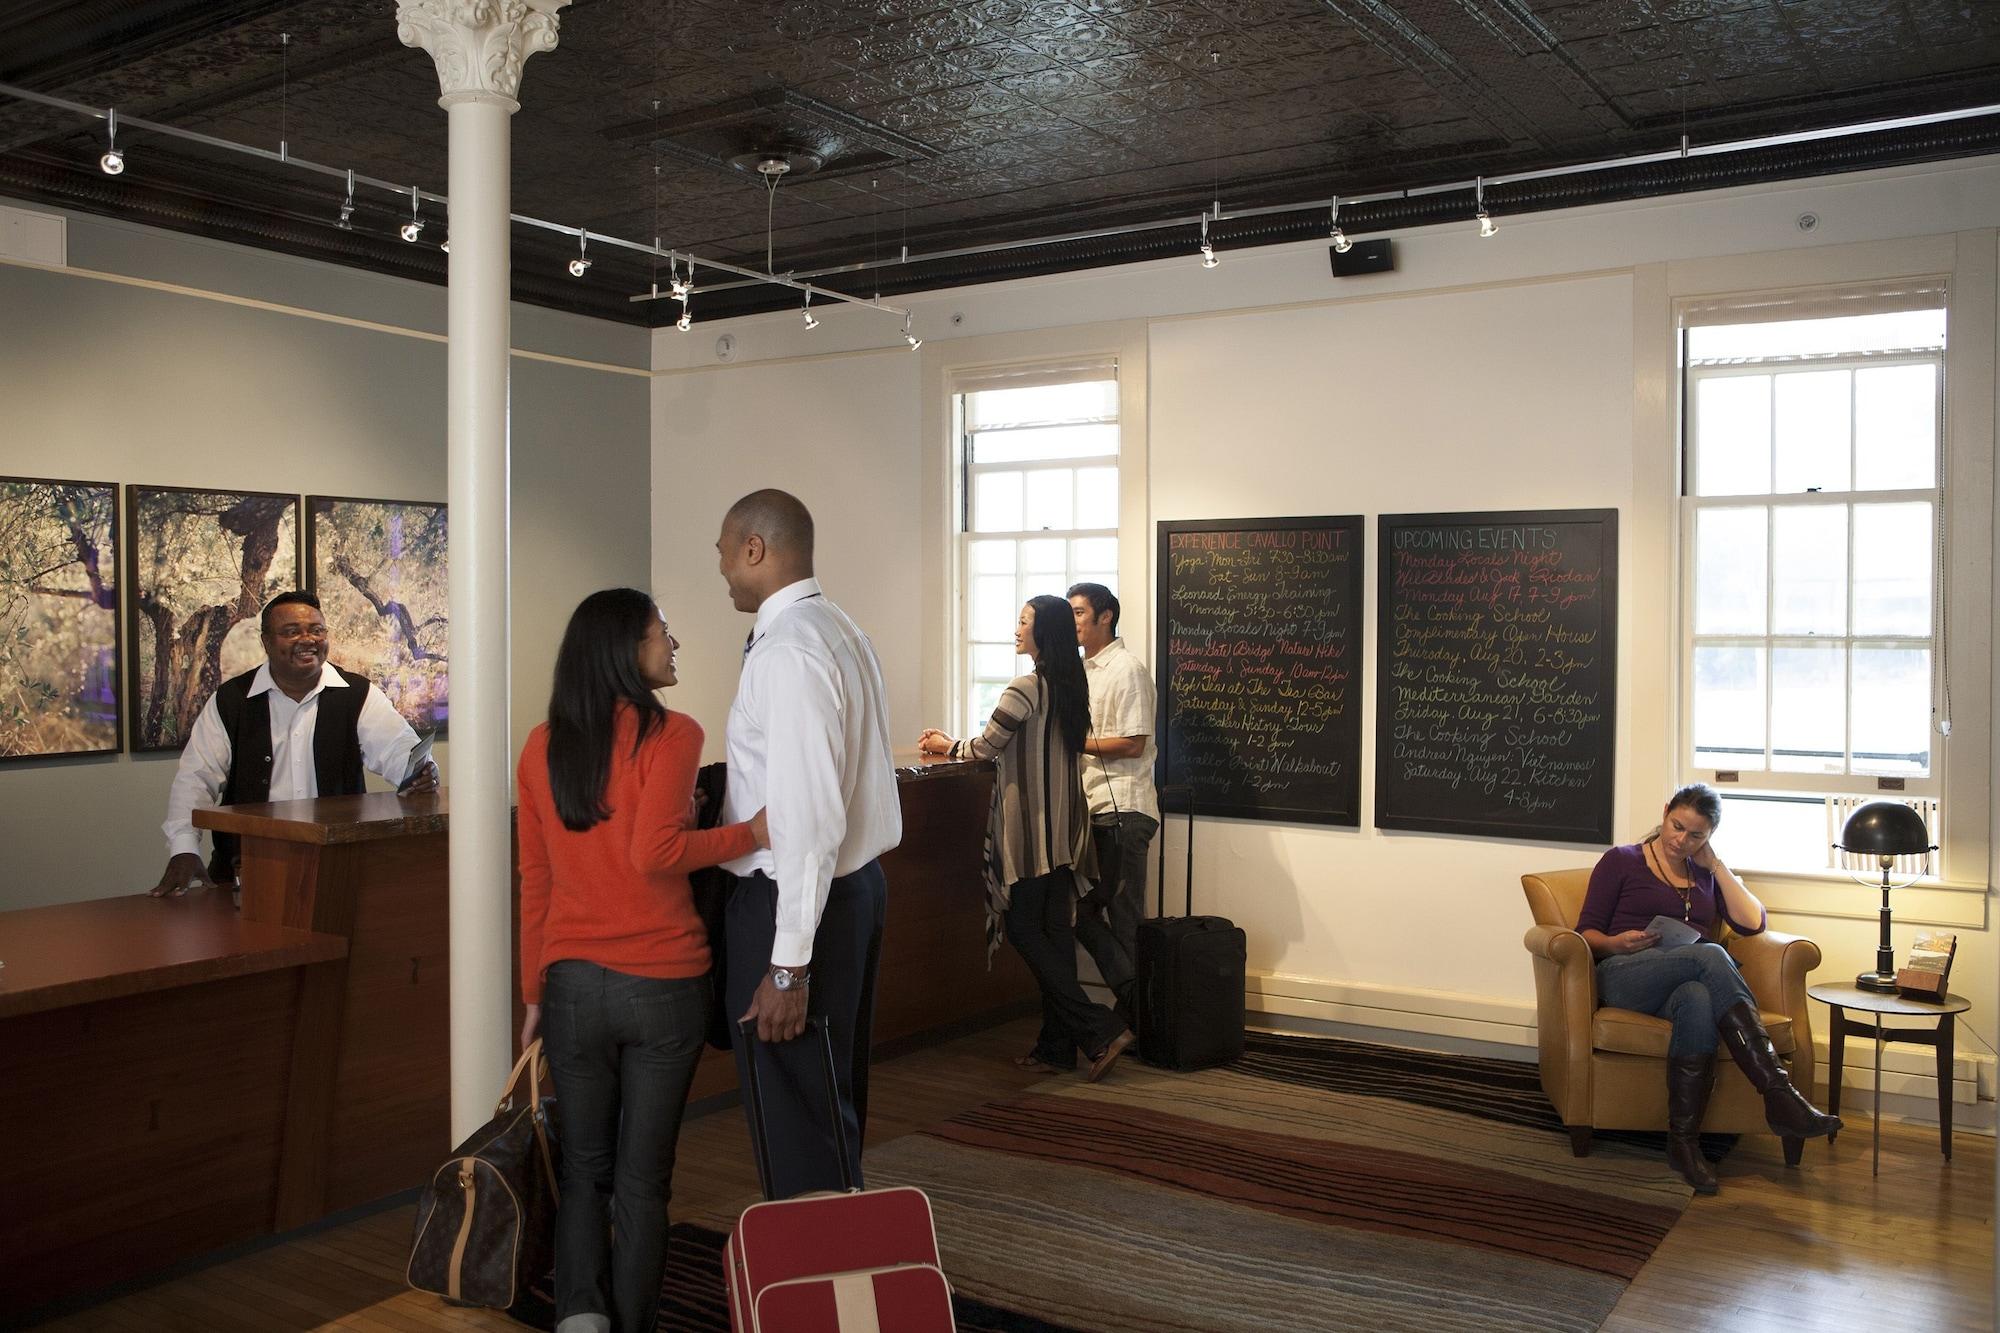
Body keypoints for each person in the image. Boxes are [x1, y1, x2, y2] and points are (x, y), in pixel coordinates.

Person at [515, 588, 767, 1333]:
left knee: (582, 1171)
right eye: (663, 632)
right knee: (642, 1180)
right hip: (661, 983)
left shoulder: (541, 744)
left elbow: (537, 879)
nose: (673, 643)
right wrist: (751, 832)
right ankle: (632, 1322)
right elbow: (654, 853)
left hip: (570, 986)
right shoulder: (673, 732)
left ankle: (580, 1315)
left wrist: (533, 992)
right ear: (627, 650)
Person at [716, 489, 902, 1199]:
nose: (721, 568)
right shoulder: (836, 627)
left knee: (797, 1113)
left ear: (755, 548)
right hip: (848, 889)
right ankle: (846, 1246)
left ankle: (823, 1259)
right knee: (827, 1098)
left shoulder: (790, 650)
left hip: (797, 902)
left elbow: (807, 816)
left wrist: (788, 966)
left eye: (724, 552)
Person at [1578, 783, 1841, 1194]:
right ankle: (1778, 1094)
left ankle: (1683, 1144)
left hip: (1681, 984)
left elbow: (1753, 923)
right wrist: (1616, 943)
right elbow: (1585, 933)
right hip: (1624, 973)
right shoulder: (1622, 860)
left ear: (1709, 836)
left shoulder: (1704, 872)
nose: (1681, 840)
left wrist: (1715, 866)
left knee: (1698, 998)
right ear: (1665, 812)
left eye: (1695, 834)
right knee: (1711, 954)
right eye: (1676, 826)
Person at [918, 595, 1135, 1083]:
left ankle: (1098, 1029)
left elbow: (985, 747)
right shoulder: (1070, 687)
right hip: (1064, 832)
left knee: (1021, 929)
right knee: (1055, 935)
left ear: (1044, 633)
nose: (1016, 630)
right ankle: (1057, 1048)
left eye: (1023, 622)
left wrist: (944, 744)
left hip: (1031, 833)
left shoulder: (1025, 688)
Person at [151, 589, 437, 896]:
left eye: (317, 630)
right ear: (266, 642)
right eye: (291, 632)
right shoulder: (231, 700)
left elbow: (399, 751)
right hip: (247, 872)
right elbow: (195, 780)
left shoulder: (358, 694)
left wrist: (417, 774)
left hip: (338, 869)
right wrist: (184, 847)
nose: (308, 639)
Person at [1066, 582, 1160, 1025]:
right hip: (1094, 811)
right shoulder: (1082, 671)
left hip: (1123, 809)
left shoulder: (1127, 669)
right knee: (1078, 913)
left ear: (1106, 617)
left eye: (1079, 612)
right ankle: (1139, 1017)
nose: (1072, 622)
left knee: (1125, 920)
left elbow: (1134, 743)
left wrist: (1071, 742)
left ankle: (1143, 1021)